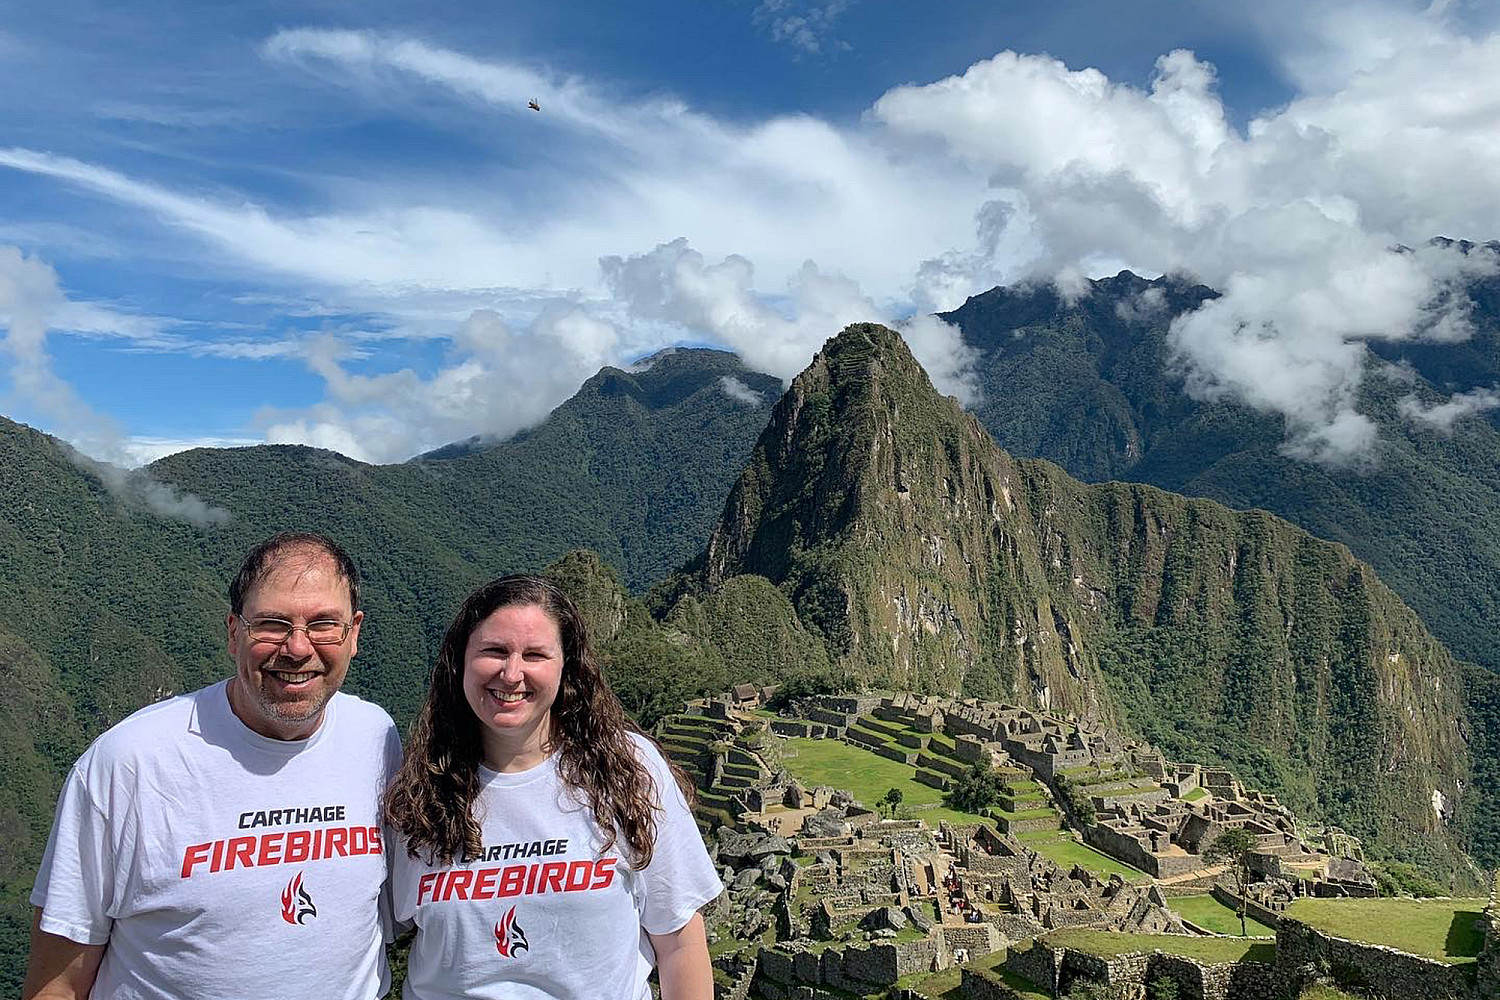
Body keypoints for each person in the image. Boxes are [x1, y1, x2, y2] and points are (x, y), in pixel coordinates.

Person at [24, 531, 401, 1000]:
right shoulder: (129, 763)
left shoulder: (376, 737)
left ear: (354, 633)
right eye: (272, 624)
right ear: (233, 632)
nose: (298, 648)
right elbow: (57, 983)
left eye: (324, 624)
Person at [384, 575, 720, 1000]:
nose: (511, 673)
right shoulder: (420, 790)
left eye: (535, 655)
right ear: (460, 662)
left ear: (566, 667)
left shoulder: (627, 769)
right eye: (494, 651)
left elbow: (680, 942)